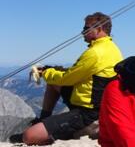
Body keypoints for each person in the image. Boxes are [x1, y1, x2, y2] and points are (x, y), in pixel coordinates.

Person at [15, 12, 123, 145]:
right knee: (53, 83)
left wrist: (46, 73)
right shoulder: (111, 49)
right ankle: (43, 119)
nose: (82, 32)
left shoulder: (95, 53)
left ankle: (49, 136)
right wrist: (52, 71)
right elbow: (80, 72)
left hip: (87, 112)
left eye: (86, 28)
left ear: (99, 29)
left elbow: (68, 78)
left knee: (28, 136)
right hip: (94, 102)